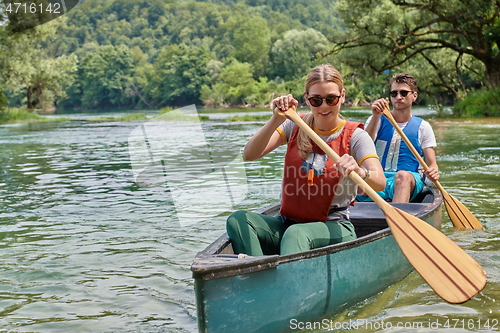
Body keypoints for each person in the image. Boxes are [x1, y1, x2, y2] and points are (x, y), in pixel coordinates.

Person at [226, 64, 385, 257]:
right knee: (238, 219)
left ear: (342, 96)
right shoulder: (293, 125)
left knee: (296, 234)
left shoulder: (357, 136)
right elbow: (250, 154)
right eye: (316, 100)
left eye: (331, 99)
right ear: (306, 99)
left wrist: (360, 172)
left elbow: (379, 182)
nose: (324, 106)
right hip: (288, 223)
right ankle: (257, 272)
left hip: (334, 226)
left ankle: (284, 280)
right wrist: (276, 118)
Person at [357, 73, 439, 203]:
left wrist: (433, 172)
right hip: (378, 178)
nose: (398, 97)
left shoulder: (423, 127)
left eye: (404, 93)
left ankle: (397, 219)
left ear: (414, 96)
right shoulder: (376, 120)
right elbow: (363, 145)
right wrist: (376, 116)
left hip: (408, 181)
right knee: (355, 174)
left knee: (402, 176)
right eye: (394, 93)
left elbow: (432, 164)